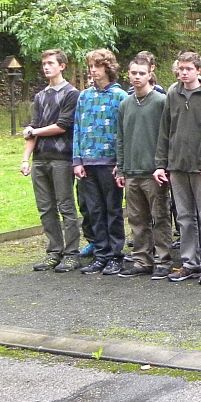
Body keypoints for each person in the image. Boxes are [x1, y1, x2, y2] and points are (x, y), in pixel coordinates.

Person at [154, 51, 201, 284]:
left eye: (188, 69)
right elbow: (165, 130)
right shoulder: (173, 93)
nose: (183, 73)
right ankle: (189, 262)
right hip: (177, 165)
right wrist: (161, 164)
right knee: (184, 217)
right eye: (181, 69)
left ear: (198, 70)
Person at [22, 50, 82, 274]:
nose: (46, 67)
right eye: (44, 64)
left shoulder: (71, 94)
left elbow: (63, 125)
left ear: (62, 66)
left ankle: (72, 254)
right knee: (45, 208)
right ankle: (54, 252)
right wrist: (25, 159)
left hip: (62, 159)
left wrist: (34, 130)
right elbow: (33, 129)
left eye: (50, 63)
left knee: (66, 206)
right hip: (40, 159)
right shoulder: (40, 96)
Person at [72, 49, 128, 275]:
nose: (93, 70)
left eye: (97, 66)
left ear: (108, 67)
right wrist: (77, 160)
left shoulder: (120, 96)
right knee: (94, 210)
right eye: (90, 67)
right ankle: (100, 253)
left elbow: (124, 133)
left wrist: (121, 163)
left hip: (110, 163)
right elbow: (77, 129)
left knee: (113, 210)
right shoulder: (84, 96)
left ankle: (115, 255)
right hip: (87, 162)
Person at [115, 53, 171, 278]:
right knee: (137, 219)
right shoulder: (125, 104)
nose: (137, 77)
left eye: (141, 73)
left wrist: (162, 165)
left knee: (160, 217)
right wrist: (121, 168)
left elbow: (167, 136)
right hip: (131, 171)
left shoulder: (160, 101)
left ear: (150, 75)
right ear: (128, 75)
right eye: (133, 73)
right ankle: (141, 259)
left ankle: (164, 260)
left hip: (153, 172)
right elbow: (120, 138)